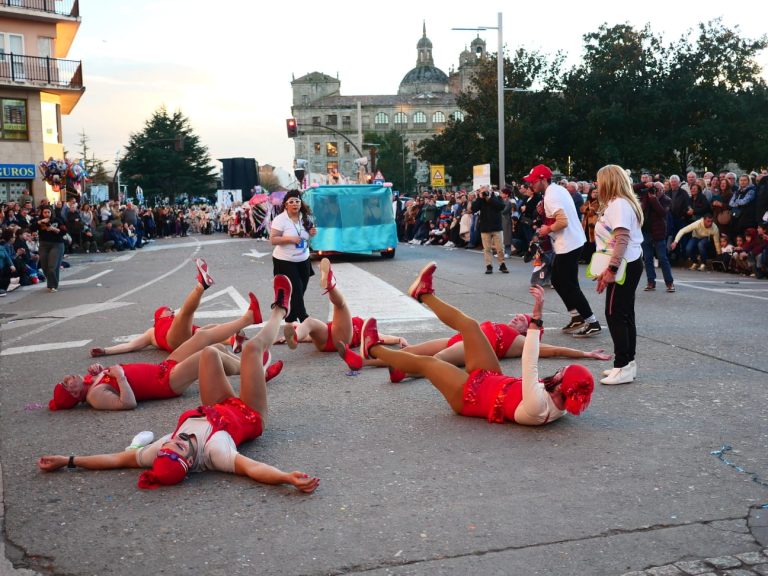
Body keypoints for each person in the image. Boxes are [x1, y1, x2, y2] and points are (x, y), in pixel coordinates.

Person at [39, 275, 319, 493]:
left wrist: (69, 460)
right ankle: (280, 310)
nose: (177, 440)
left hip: (217, 405)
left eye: (170, 445)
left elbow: (116, 460)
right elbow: (253, 468)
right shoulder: (216, 453)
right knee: (251, 350)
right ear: (189, 462)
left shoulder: (160, 450)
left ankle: (253, 370)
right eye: (181, 448)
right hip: (248, 413)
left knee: (208, 353)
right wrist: (285, 478)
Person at [357, 263, 593, 426]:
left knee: (429, 364)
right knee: (470, 325)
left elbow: (530, 362)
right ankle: (423, 294)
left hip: (470, 397)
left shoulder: (537, 406)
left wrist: (537, 315)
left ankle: (372, 348)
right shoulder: (559, 402)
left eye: (564, 373)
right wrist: (587, 355)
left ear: (564, 388)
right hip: (492, 378)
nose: (561, 370)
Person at [47, 286, 266, 411]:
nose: (68, 378)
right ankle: (257, 372)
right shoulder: (95, 397)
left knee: (204, 336)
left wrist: (101, 364)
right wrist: (120, 376)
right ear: (74, 394)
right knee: (208, 355)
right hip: (166, 383)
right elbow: (127, 403)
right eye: (67, 384)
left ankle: (249, 320)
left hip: (163, 368)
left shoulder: (91, 383)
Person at [88, 259, 237, 356]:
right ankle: (201, 285)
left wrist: (226, 338)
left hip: (189, 340)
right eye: (168, 310)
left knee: (210, 328)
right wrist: (105, 350)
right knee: (185, 313)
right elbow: (131, 345)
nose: (171, 310)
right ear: (159, 315)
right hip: (174, 341)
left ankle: (234, 340)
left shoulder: (171, 322)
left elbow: (204, 334)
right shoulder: (151, 332)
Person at [524, 164, 601, 337]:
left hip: (569, 244)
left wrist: (546, 230)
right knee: (559, 280)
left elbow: (562, 221)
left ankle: (591, 321)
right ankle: (577, 317)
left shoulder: (552, 196)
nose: (532, 185)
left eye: (534, 181)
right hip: (571, 242)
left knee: (569, 284)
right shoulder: (557, 190)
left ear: (543, 179)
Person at [283, 258, 405, 355]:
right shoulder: (357, 324)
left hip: (340, 340)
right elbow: (309, 337)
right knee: (309, 322)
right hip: (328, 337)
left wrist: (398, 339)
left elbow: (383, 338)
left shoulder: (366, 330)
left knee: (341, 305)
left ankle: (330, 285)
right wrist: (293, 336)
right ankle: (295, 337)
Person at [592, 165, 644, 386]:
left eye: (598, 180)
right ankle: (627, 364)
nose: (596, 184)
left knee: (615, 314)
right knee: (624, 314)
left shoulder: (619, 204)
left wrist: (611, 270)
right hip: (627, 262)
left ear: (608, 181)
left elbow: (622, 238)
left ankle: (622, 365)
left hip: (624, 265)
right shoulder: (620, 202)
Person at [270, 190, 317, 323]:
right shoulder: (280, 220)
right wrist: (290, 239)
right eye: (291, 202)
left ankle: (290, 315)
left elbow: (309, 235)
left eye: (297, 201)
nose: (295, 204)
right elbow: (273, 240)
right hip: (285, 260)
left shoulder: (305, 217)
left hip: (303, 259)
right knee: (296, 288)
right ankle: (303, 318)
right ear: (286, 205)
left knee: (302, 288)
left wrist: (312, 232)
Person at [472, 186, 508, 274]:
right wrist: (479, 198)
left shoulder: (496, 197)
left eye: (486, 191)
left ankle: (502, 264)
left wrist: (489, 198)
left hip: (496, 227)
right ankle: (489, 266)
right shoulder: (480, 199)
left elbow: (501, 206)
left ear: (490, 190)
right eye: (483, 191)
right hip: (485, 227)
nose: (485, 193)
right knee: (487, 249)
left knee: (500, 248)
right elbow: (474, 209)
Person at [33, 206, 67, 292]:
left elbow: (64, 231)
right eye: (45, 212)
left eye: (48, 212)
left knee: (52, 266)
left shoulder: (57, 220)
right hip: (44, 245)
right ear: (42, 213)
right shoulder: (39, 221)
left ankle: (52, 286)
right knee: (44, 267)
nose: (47, 214)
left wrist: (53, 229)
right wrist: (40, 222)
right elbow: (31, 228)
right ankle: (52, 283)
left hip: (57, 244)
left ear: (51, 213)